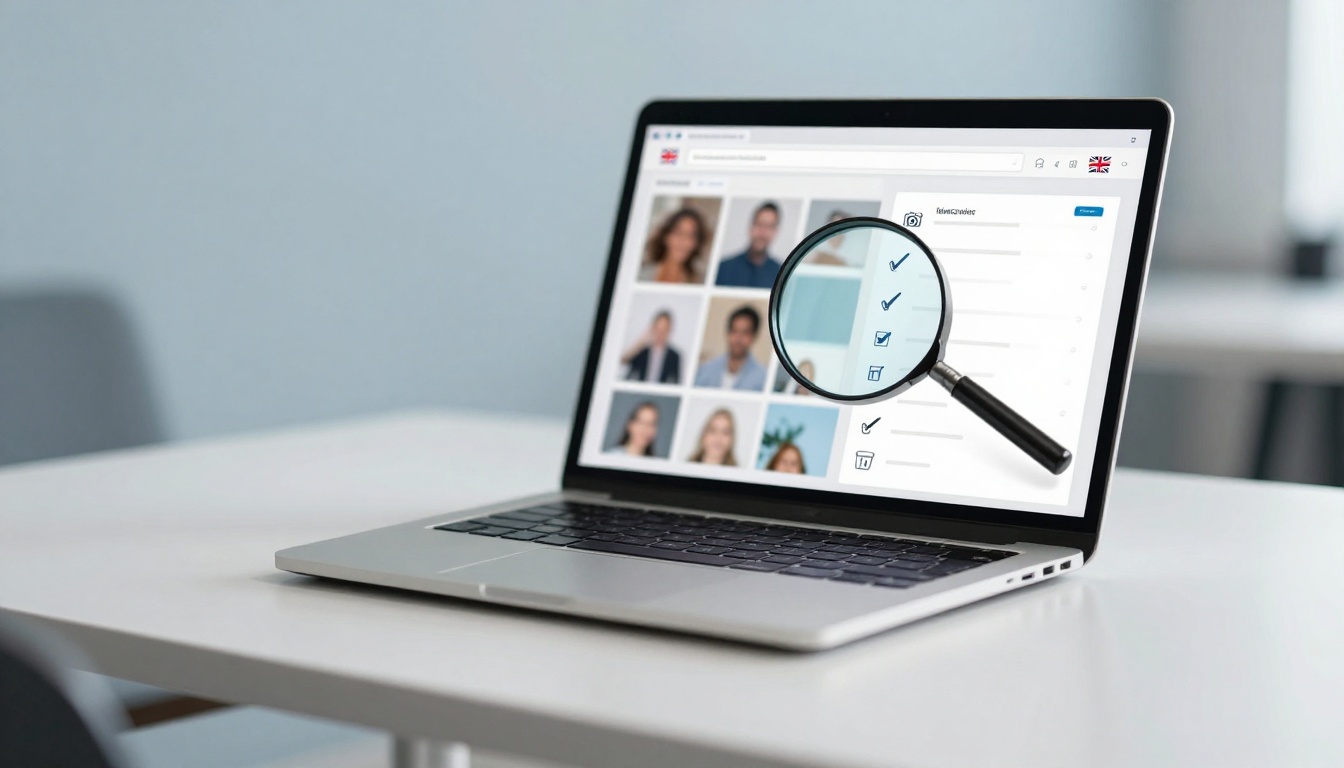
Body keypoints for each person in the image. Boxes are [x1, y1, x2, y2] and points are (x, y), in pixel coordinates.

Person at [693, 306, 767, 391]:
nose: (738, 339)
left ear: (754, 336)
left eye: (745, 333)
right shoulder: (704, 370)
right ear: (728, 333)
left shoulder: (763, 377)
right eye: (734, 331)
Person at [715, 201, 783, 288]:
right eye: (759, 224)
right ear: (751, 226)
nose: (762, 232)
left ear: (775, 232)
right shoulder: (724, 268)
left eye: (769, 226)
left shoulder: (780, 275)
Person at [640, 207, 709, 284]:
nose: (684, 242)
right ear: (665, 236)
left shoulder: (700, 281)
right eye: (678, 233)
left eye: (691, 236)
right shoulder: (641, 275)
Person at [621, 310, 681, 384]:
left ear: (669, 330)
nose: (661, 334)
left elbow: (676, 382)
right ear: (653, 328)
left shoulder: (674, 356)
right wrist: (641, 341)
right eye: (658, 329)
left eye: (664, 330)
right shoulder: (642, 351)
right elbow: (623, 360)